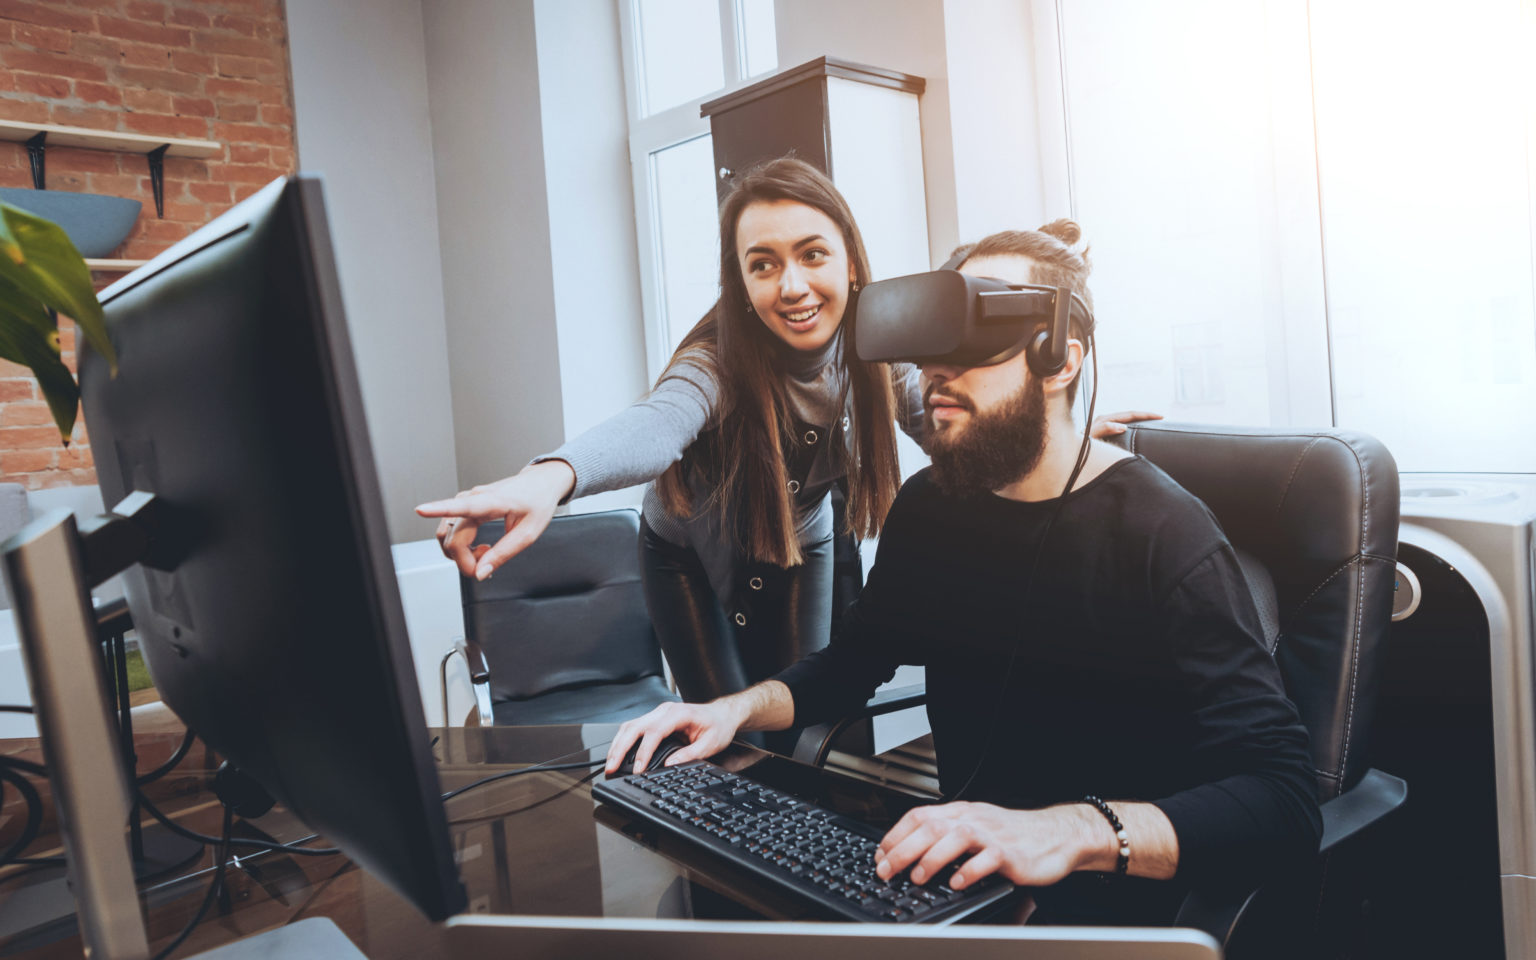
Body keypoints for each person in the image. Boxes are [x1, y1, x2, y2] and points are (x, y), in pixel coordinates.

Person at [602, 222, 1321, 924]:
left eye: (975, 340)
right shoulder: (931, 508)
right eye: (932, 346)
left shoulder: (1167, 535)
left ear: (1060, 360)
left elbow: (1283, 798)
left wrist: (1069, 832)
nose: (935, 374)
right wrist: (731, 710)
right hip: (963, 891)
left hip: (1112, 910)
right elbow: (851, 666)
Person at [418, 158, 1156, 706]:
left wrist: (1060, 434)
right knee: (723, 730)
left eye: (812, 254)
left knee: (806, 714)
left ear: (849, 261)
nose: (793, 288)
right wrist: (550, 478)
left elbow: (938, 417)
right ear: (740, 281)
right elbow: (658, 424)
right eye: (763, 265)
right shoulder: (718, 359)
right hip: (686, 554)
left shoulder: (871, 346)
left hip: (803, 541)